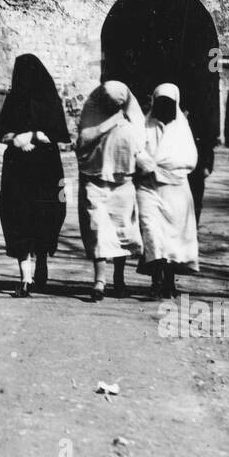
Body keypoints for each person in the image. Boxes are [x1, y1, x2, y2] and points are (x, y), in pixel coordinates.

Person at [0, 54, 70, 297]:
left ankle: (42, 261)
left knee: (46, 212)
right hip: (19, 167)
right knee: (18, 216)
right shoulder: (13, 100)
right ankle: (25, 278)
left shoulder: (49, 101)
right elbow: (1, 133)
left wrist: (33, 134)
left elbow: (54, 134)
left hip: (44, 167)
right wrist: (15, 138)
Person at [75, 80, 145, 302]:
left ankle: (119, 279)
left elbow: (140, 148)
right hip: (94, 181)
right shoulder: (92, 115)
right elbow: (82, 142)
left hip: (123, 184)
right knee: (98, 231)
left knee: (121, 233)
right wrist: (110, 124)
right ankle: (99, 281)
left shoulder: (134, 121)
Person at [136, 83, 200, 297]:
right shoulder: (144, 125)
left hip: (176, 191)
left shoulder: (182, 129)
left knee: (173, 239)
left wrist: (158, 165)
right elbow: (136, 150)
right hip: (149, 188)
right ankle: (156, 281)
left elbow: (188, 160)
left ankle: (169, 281)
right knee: (152, 234)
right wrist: (148, 165)